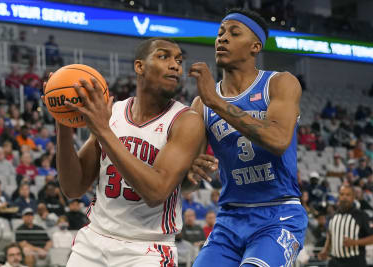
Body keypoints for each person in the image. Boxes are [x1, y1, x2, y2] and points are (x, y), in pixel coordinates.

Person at [49, 37, 207, 266]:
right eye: (164, 56)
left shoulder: (185, 121)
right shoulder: (113, 112)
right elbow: (73, 188)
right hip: (94, 240)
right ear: (139, 66)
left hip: (147, 248)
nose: (175, 65)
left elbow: (156, 192)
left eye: (179, 60)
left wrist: (104, 131)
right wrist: (62, 119)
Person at [188, 8, 308, 267]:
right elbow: (189, 184)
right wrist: (189, 171)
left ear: (255, 46)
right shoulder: (202, 103)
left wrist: (217, 102)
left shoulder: (279, 83)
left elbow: (278, 141)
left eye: (233, 32)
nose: (222, 38)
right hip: (229, 218)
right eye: (220, 33)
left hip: (279, 214)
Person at [318, 185, 373, 267]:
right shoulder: (332, 216)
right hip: (335, 262)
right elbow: (330, 236)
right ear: (339, 197)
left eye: (348, 195)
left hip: (354, 262)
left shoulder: (361, 216)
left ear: (353, 197)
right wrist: (325, 250)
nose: (344, 197)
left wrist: (354, 242)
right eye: (342, 194)